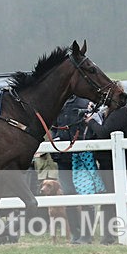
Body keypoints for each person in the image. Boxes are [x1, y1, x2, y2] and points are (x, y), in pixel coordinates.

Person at [85, 81, 127, 244]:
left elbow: (105, 132)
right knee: (110, 197)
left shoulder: (122, 111)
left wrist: (91, 121)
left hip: (117, 163)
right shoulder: (111, 110)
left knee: (114, 197)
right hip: (108, 162)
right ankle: (113, 233)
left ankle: (112, 234)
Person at [51, 95, 92, 243]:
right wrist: (55, 140)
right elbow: (53, 128)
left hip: (81, 158)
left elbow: (89, 128)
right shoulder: (57, 103)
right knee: (68, 194)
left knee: (85, 195)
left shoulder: (84, 103)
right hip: (63, 158)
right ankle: (76, 233)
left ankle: (87, 234)